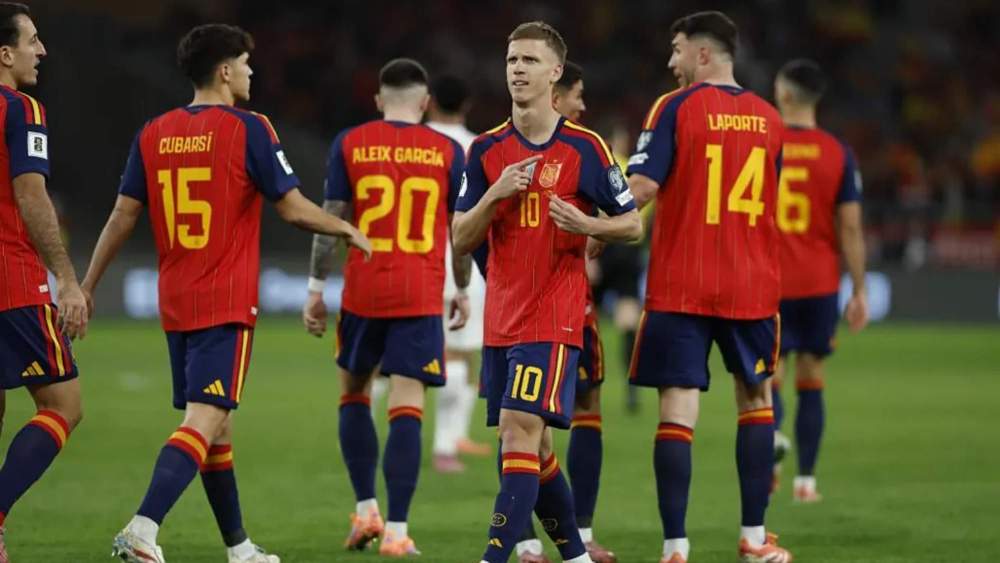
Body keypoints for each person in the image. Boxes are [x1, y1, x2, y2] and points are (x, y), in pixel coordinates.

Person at [82, 23, 370, 563]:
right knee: (204, 420)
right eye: (245, 63)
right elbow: (290, 204)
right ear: (224, 71)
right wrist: (345, 229)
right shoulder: (249, 128)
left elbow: (123, 214)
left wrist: (89, 284)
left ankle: (240, 549)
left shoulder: (154, 131)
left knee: (217, 427)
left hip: (176, 300)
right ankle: (143, 528)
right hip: (224, 300)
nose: (251, 72)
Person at [452, 21, 642, 563]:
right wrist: (494, 193)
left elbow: (630, 225)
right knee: (534, 447)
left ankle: (492, 558)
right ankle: (577, 558)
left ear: (555, 72)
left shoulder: (586, 147)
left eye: (530, 61)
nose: (517, 69)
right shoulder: (486, 150)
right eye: (512, 59)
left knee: (517, 432)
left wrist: (589, 228)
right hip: (501, 316)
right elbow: (460, 239)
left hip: (555, 316)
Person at [626, 11, 791, 563]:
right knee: (756, 402)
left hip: (681, 284)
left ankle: (675, 547)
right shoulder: (771, 119)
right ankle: (751, 540)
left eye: (676, 51)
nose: (671, 63)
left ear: (702, 54)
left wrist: (598, 230)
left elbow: (643, 187)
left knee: (676, 411)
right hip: (750, 284)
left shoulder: (674, 107)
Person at [301, 58, 468, 557]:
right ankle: (396, 531)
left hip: (364, 292)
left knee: (353, 391)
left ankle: (365, 508)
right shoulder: (446, 149)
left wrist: (315, 287)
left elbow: (332, 220)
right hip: (420, 293)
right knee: (407, 404)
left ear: (378, 100)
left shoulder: (349, 143)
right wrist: (460, 288)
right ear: (425, 103)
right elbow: (458, 233)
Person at [514, 59, 616, 563]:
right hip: (533, 311)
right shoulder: (517, 149)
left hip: (579, 309)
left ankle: (578, 535)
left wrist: (592, 230)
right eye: (578, 96)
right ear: (557, 93)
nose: (582, 105)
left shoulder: (586, 150)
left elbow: (618, 219)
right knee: (526, 424)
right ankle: (530, 540)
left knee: (576, 413)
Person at [0, 4, 87, 561]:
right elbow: (31, 197)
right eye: (32, 41)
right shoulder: (20, 107)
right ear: (4, 54)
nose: (42, 50)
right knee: (63, 404)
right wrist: (66, 279)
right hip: (11, 277)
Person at [771, 58, 868, 502]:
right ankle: (805, 482)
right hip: (818, 285)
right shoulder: (838, 152)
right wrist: (860, 290)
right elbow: (850, 228)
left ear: (786, 95)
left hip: (767, 282)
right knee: (811, 379)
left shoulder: (763, 144)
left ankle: (768, 456)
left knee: (767, 379)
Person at [424, 73, 492, 474]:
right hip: (463, 261)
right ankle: (445, 445)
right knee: (460, 352)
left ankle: (449, 437)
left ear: (429, 101)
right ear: (466, 105)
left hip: (411, 257)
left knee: (389, 354)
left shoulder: (410, 141)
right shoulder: (475, 147)